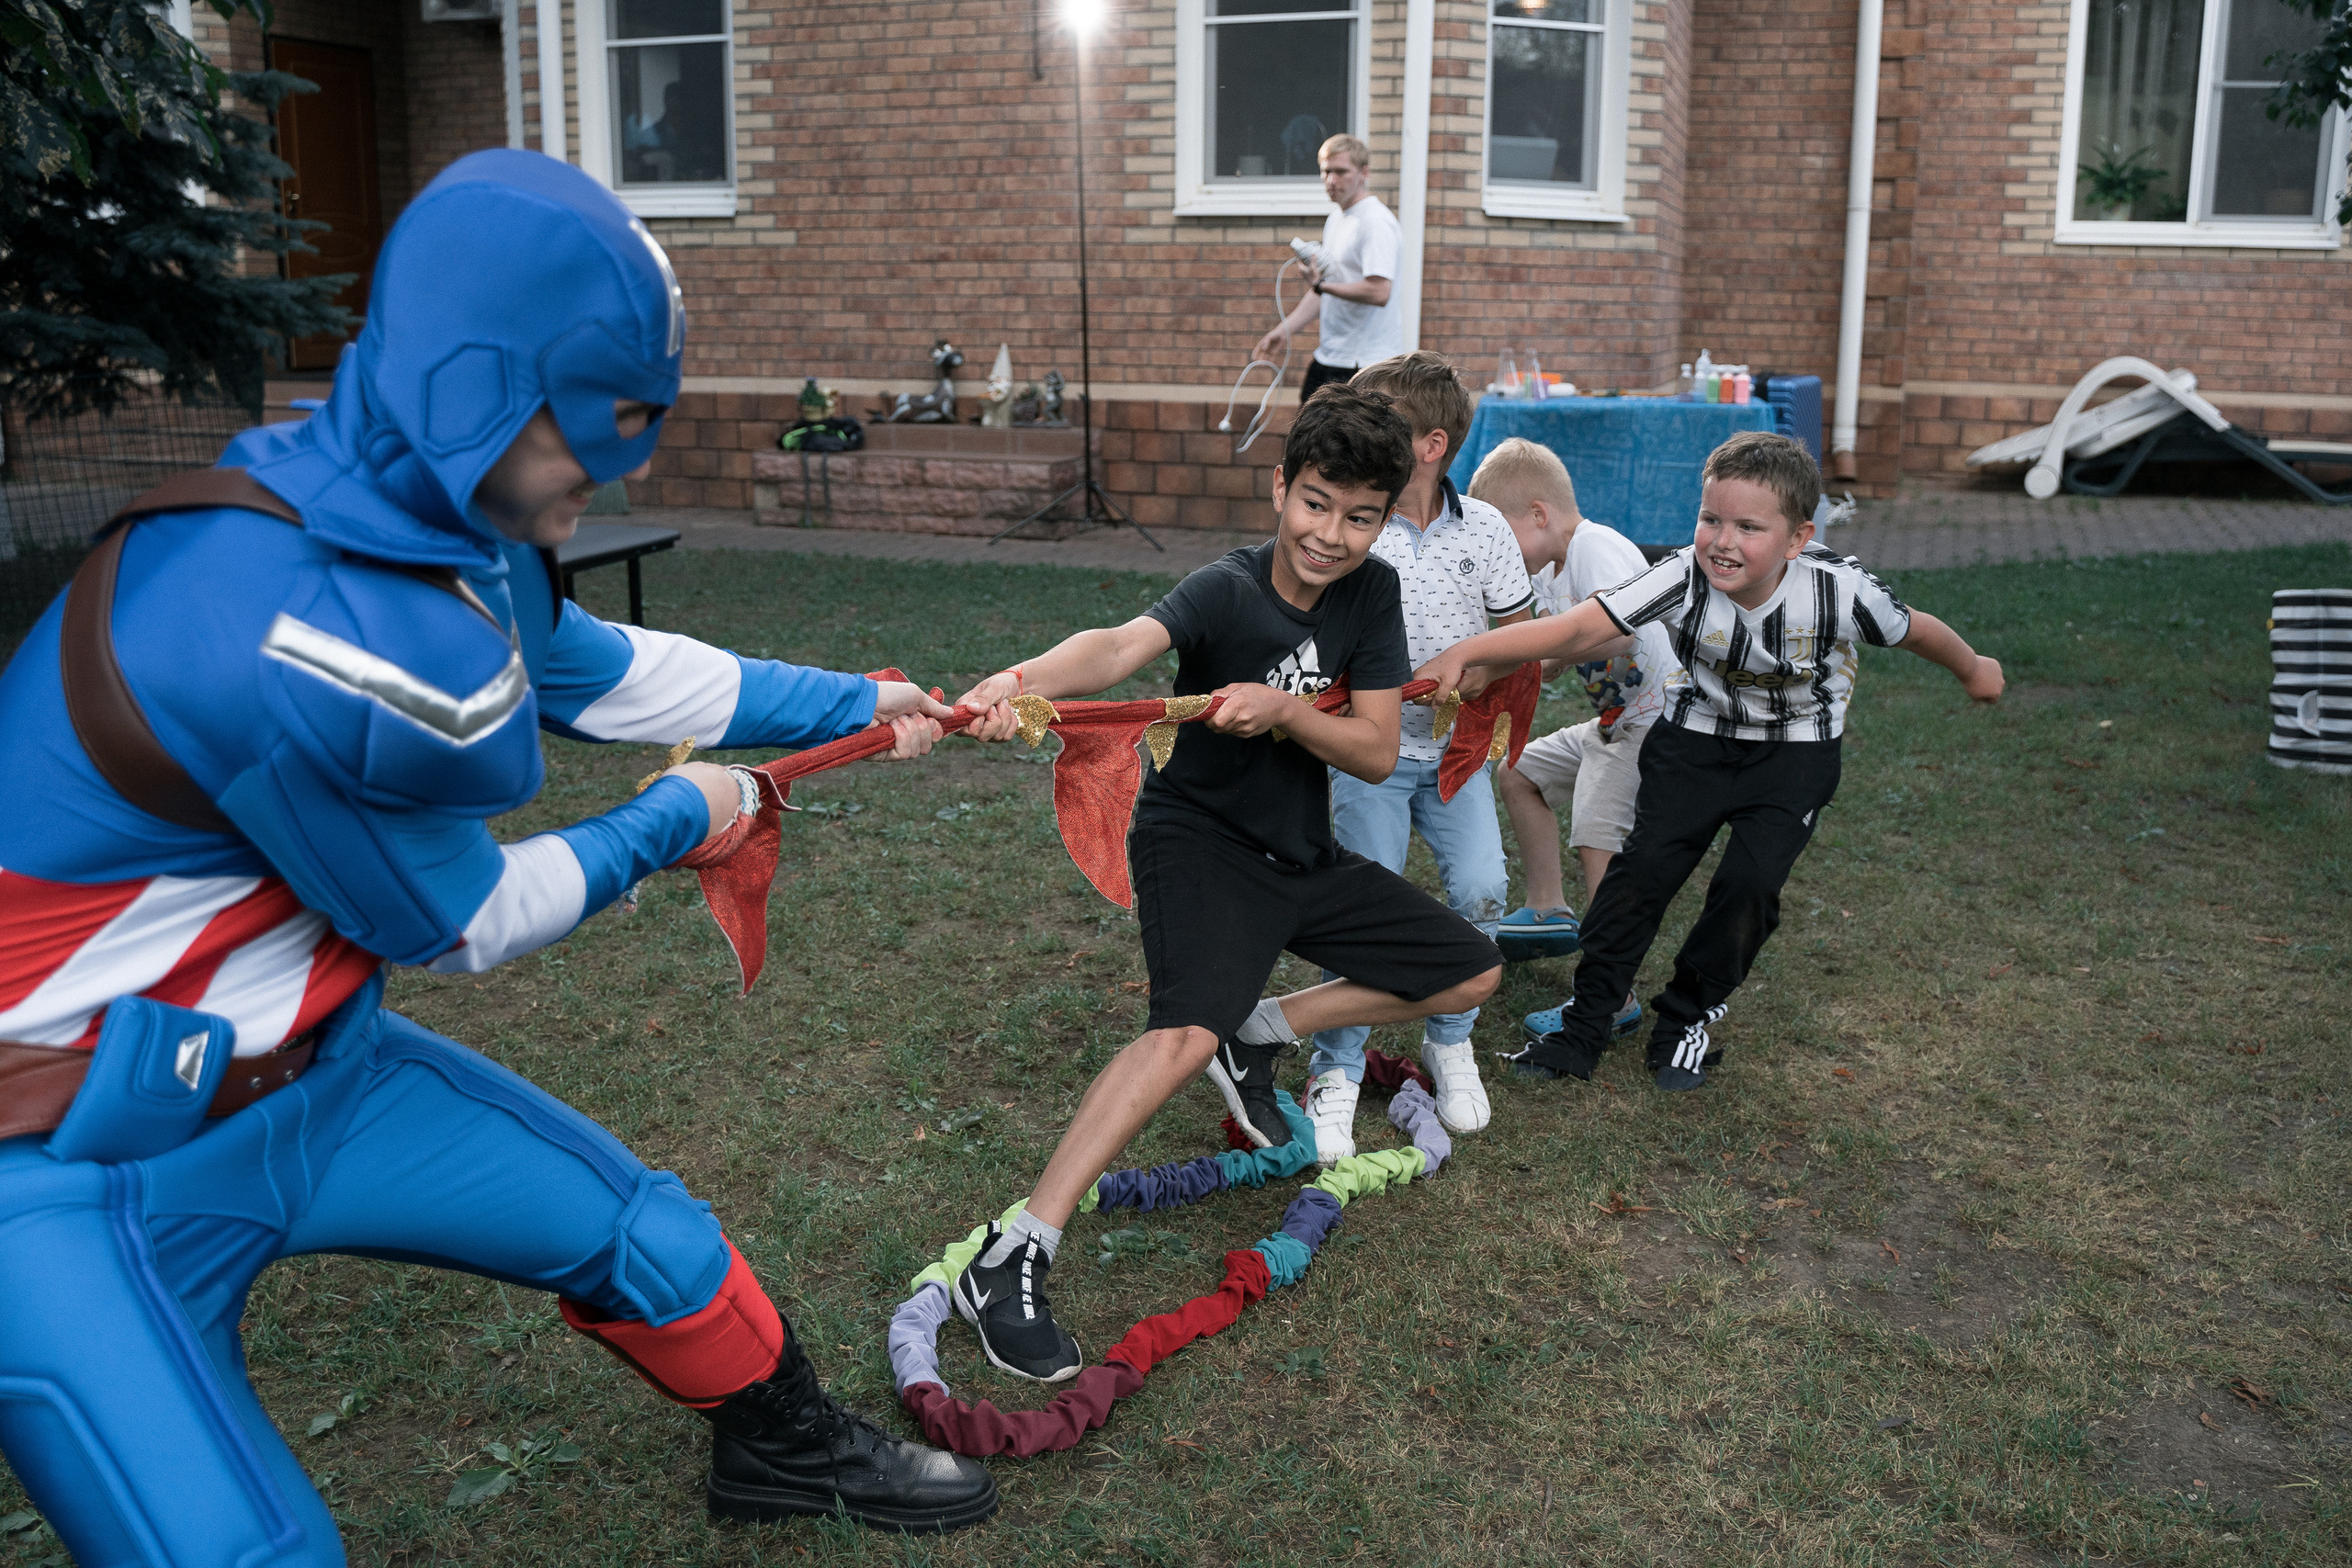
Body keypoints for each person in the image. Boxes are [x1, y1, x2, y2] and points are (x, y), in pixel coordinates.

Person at [0, 150, 1001, 1562]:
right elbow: (461, 920)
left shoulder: (414, 494)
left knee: (659, 1245)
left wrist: (853, 697)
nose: (620, 462)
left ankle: (778, 1447)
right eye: (597, 419)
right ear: (479, 387)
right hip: (59, 1160)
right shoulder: (261, 617)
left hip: (321, 1072)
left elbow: (599, 670)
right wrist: (680, 816)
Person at [943, 386, 1502, 1382]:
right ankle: (1013, 1252)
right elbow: (1118, 648)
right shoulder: (1223, 588)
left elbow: (1375, 750)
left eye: (1360, 516)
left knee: (1469, 970)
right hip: (1196, 843)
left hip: (1301, 854)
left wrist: (1282, 714)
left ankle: (1263, 1029)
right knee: (1178, 1032)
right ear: (1280, 486)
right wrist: (1016, 684)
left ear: (1384, 518)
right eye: (1316, 503)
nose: (1331, 535)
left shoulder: (1371, 593)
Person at [1414, 431, 2003, 1092]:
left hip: (1795, 756)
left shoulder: (1840, 590)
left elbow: (1917, 628)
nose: (1723, 540)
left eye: (1748, 526)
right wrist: (1472, 650)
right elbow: (1582, 626)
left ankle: (1685, 1018)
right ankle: (1586, 1023)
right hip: (1693, 740)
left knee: (1748, 888)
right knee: (1639, 876)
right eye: (1710, 519)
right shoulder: (1682, 576)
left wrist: (1975, 668)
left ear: (1796, 537)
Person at [1298, 354, 1532, 1165]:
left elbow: (1521, 636)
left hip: (1455, 750)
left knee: (1480, 885)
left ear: (1430, 445)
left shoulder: (1489, 529)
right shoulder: (1351, 525)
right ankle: (1335, 1065)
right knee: (1370, 894)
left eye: (1380, 423)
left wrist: (1480, 665)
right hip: (1371, 750)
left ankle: (1451, 1040)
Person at [1467, 438, 1668, 1048]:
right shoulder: (1551, 572)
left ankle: (1613, 992)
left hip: (1654, 721)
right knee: (1520, 772)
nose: (1501, 558)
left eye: (1503, 541)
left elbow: (1618, 632)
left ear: (1539, 514)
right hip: (1616, 720)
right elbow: (1547, 645)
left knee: (1597, 835)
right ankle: (1549, 908)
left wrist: (1549, 652)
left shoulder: (1595, 546)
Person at [1252, 134, 1402, 408]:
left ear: (1364, 173)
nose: (1331, 181)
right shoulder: (1337, 218)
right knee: (1307, 441)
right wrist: (1283, 331)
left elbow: (1379, 291)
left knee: (1344, 450)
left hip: (1363, 364)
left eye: (1341, 172)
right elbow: (1324, 289)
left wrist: (1321, 286)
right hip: (1331, 356)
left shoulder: (1375, 221)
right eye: (1326, 171)